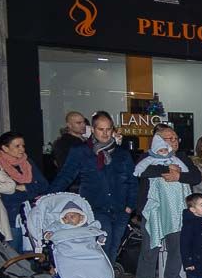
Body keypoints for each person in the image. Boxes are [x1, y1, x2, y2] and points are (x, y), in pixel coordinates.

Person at [47, 112, 136, 267]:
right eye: (101, 129)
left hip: (120, 208)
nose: (105, 133)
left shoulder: (122, 154)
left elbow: (132, 181)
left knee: (114, 247)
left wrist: (130, 206)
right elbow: (66, 176)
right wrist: (48, 196)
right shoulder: (81, 152)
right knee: (103, 244)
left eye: (108, 129)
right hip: (95, 207)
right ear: (93, 130)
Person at [134, 127, 200, 278]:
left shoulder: (182, 157)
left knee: (176, 246)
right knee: (150, 247)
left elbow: (195, 177)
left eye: (176, 137)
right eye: (170, 138)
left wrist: (179, 176)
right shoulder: (147, 156)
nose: (174, 141)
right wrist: (166, 168)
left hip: (177, 209)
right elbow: (141, 172)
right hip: (153, 210)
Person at [0, 131, 49, 250]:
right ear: (5, 148)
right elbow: (6, 195)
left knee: (33, 251)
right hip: (10, 216)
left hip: (31, 214)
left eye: (23, 146)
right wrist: (31, 190)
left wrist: (25, 187)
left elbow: (44, 185)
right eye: (17, 146)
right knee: (13, 251)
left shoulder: (27, 162)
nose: (22, 149)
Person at [50, 111, 89, 181]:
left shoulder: (86, 141)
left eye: (84, 122)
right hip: (74, 183)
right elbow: (65, 166)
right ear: (69, 125)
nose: (83, 125)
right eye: (78, 123)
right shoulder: (63, 143)